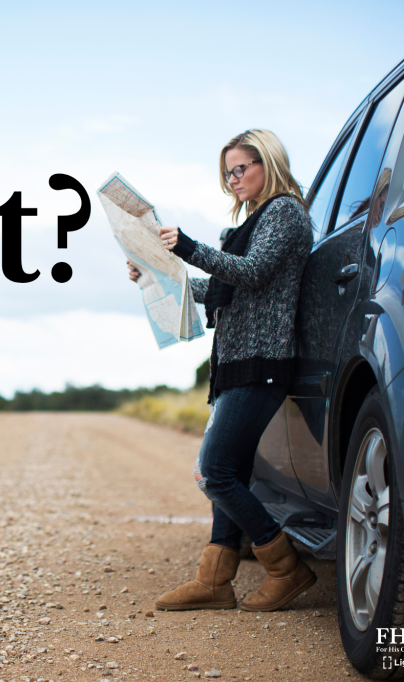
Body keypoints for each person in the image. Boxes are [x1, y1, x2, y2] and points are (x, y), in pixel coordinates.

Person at [131, 129, 316, 612]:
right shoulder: (254, 220)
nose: (233, 179)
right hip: (237, 364)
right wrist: (155, 273)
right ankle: (215, 581)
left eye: (241, 168)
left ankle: (286, 568)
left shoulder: (284, 212)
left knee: (214, 473)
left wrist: (186, 246)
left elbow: (251, 272)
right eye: (227, 172)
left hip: (263, 364)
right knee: (228, 470)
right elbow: (221, 291)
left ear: (267, 163)